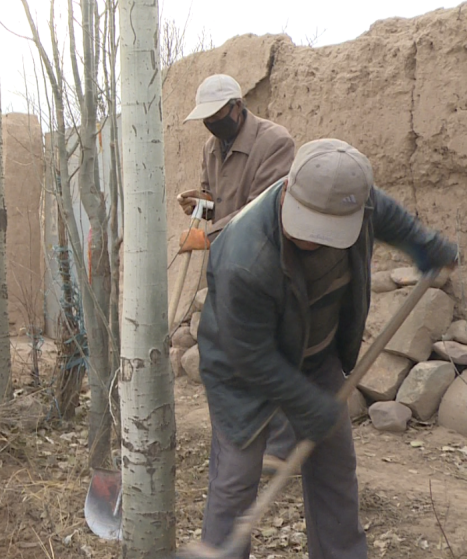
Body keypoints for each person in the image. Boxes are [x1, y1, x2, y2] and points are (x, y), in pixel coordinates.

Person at [196, 138, 458, 559]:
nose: (312, 241)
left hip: (315, 355)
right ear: (288, 191)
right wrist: (307, 404)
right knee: (236, 479)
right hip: (242, 372)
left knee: (335, 468)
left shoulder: (355, 199)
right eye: (306, 227)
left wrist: (422, 244)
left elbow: (387, 216)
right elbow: (251, 357)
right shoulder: (243, 258)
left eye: (326, 231)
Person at [175, 72, 298, 473]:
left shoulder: (274, 142)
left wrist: (205, 233)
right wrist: (197, 204)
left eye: (216, 115)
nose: (211, 124)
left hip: (266, 268)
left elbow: (260, 212)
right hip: (226, 268)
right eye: (205, 118)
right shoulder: (212, 147)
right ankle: (246, 436)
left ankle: (282, 448)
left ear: (237, 106)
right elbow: (215, 199)